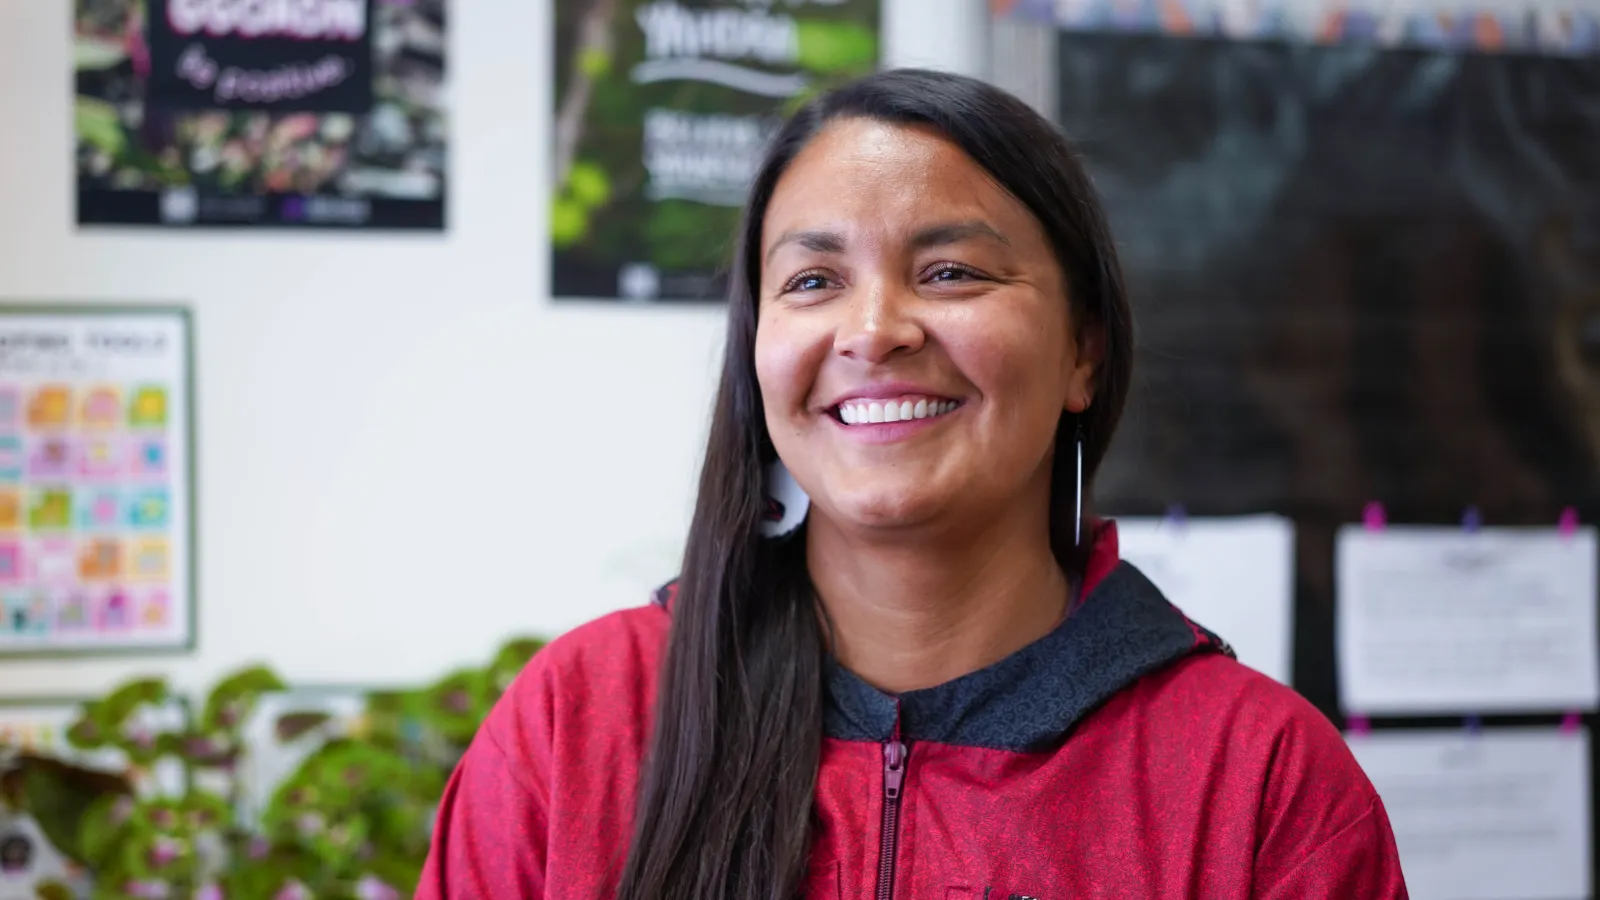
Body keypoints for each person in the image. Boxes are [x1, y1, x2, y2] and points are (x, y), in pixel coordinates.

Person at [415, 68, 1408, 899]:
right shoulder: (578, 724)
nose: (873, 328)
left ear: (1083, 354)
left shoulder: (1259, 781)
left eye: (949, 273)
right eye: (812, 281)